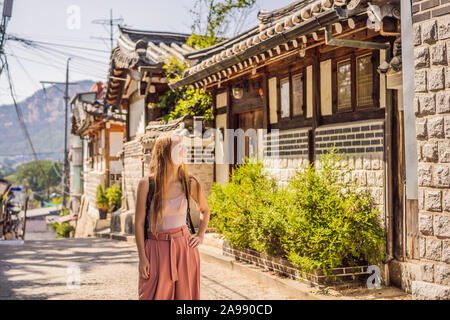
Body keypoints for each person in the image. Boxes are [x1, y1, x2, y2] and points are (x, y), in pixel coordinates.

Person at [135, 133, 211, 300]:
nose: (183, 150)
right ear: (165, 152)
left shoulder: (189, 182)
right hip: (155, 247)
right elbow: (139, 223)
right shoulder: (147, 184)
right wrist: (142, 257)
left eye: (183, 146)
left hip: (184, 248)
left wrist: (200, 235)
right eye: (179, 146)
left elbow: (205, 210)